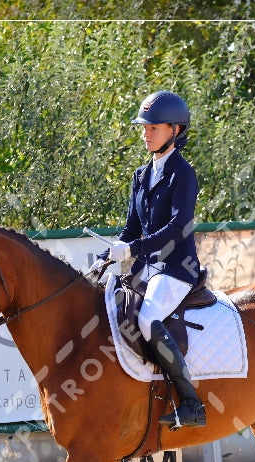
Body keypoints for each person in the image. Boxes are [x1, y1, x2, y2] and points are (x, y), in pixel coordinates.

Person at [91, 91, 206, 429]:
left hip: (175, 269)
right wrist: (106, 256)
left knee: (147, 318)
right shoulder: (141, 176)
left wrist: (135, 249)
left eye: (154, 127)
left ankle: (191, 403)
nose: (146, 133)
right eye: (145, 127)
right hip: (146, 269)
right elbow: (130, 229)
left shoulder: (182, 175)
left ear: (175, 130)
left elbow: (177, 227)